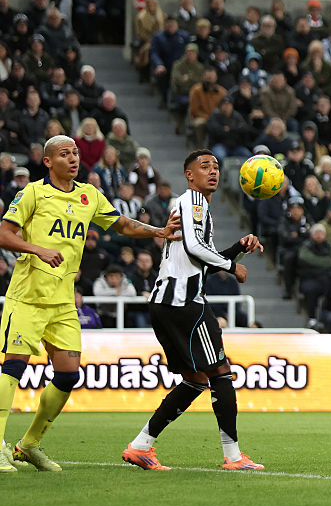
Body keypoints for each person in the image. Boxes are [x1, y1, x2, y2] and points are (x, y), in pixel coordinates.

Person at [0, 135, 180, 473]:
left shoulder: (89, 195)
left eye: (76, 153)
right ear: (48, 161)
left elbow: (123, 224)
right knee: (14, 368)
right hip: (27, 297)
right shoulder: (33, 193)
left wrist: (159, 231)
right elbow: (4, 233)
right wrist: (37, 249)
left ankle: (29, 445)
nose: (73, 158)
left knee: (67, 376)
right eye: (64, 154)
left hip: (63, 301)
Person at [121, 150, 264, 472]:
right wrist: (231, 266)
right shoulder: (195, 202)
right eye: (204, 166)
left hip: (165, 302)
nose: (212, 171)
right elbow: (195, 249)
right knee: (220, 371)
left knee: (196, 379)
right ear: (189, 175)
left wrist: (238, 250)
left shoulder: (192, 209)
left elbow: (198, 263)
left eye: (215, 166)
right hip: (184, 303)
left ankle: (140, 447)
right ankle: (233, 457)